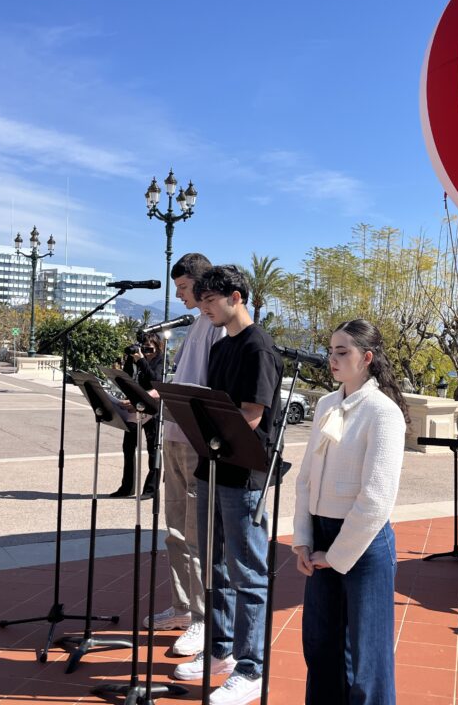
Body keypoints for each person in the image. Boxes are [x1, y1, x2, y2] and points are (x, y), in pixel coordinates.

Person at [173, 265, 283, 705]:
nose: (205, 311)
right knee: (212, 564)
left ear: (236, 297)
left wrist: (209, 423)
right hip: (211, 468)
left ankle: (251, 668)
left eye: (210, 303)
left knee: (248, 573)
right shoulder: (221, 347)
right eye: (201, 304)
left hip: (244, 476)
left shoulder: (260, 348)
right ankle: (219, 650)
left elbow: (250, 417)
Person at [291, 319, 408, 705]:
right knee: (320, 646)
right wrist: (305, 541)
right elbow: (306, 477)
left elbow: (376, 498)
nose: (332, 360)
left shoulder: (383, 412)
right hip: (322, 537)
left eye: (343, 352)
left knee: (367, 661)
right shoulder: (327, 403)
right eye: (330, 351)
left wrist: (337, 556)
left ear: (367, 358)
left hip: (365, 544)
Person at [145, 253, 225, 658]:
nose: (179, 296)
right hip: (174, 435)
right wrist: (150, 396)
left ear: (201, 283)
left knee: (195, 535)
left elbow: (210, 390)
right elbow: (184, 380)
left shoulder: (216, 328)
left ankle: (201, 618)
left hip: (196, 442)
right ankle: (180, 607)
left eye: (183, 289)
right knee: (174, 530)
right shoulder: (195, 325)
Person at [109, 332, 164, 497]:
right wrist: (131, 360)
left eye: (150, 349)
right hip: (133, 408)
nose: (147, 353)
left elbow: (156, 380)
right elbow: (126, 379)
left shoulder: (160, 361)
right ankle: (127, 487)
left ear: (158, 348)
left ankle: (151, 489)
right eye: (144, 349)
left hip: (151, 410)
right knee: (128, 447)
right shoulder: (137, 361)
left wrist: (141, 360)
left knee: (153, 448)